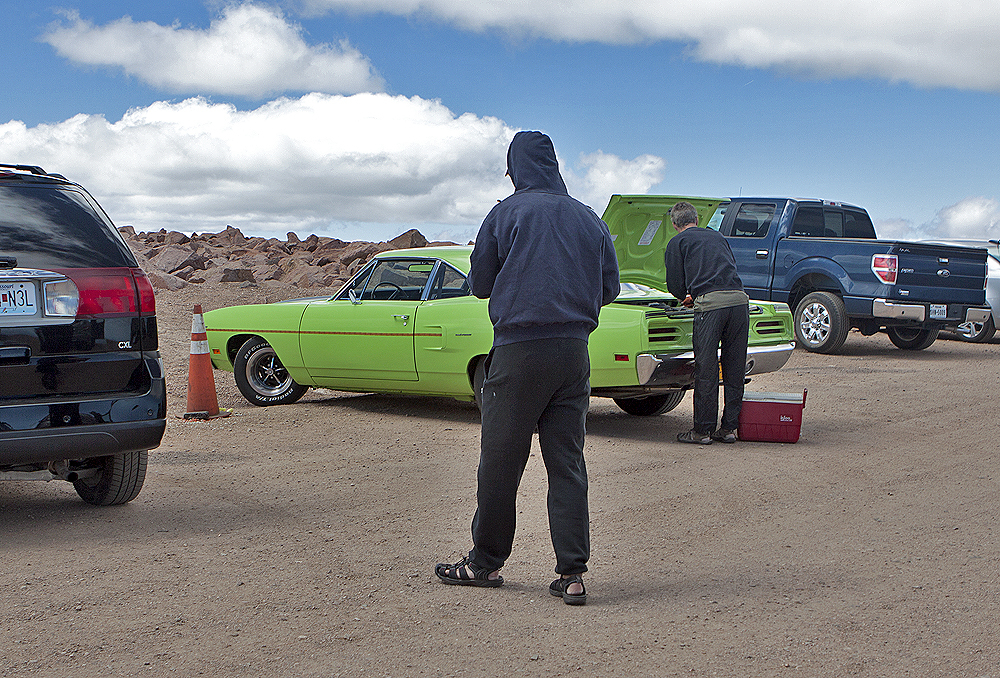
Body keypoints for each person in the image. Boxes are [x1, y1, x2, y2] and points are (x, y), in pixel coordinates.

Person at [434, 131, 620, 605]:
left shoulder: (506, 213)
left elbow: (479, 284)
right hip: (574, 355)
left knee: (500, 461)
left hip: (519, 351)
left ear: (516, 168)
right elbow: (611, 289)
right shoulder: (589, 219)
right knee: (567, 464)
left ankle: (485, 562)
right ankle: (573, 574)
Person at [665, 201, 749, 445]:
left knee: (707, 368)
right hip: (739, 303)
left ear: (674, 224)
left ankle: (702, 431)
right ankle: (729, 429)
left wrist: (686, 298)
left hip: (711, 308)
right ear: (697, 220)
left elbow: (674, 283)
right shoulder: (718, 237)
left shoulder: (677, 243)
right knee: (735, 368)